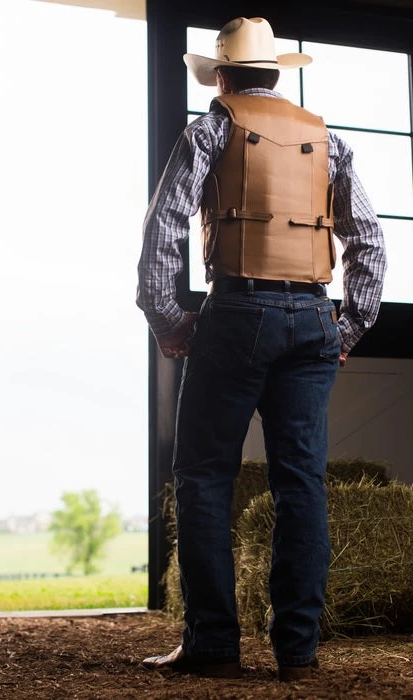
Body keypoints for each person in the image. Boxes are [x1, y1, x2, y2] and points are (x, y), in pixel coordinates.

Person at [136, 16, 387, 682]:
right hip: (313, 315)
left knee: (204, 477)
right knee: (301, 483)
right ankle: (298, 653)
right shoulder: (328, 139)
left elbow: (164, 229)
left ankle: (214, 644)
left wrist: (167, 319)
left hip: (237, 311)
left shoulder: (209, 130)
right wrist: (348, 327)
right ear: (277, 74)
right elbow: (369, 241)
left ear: (220, 76)